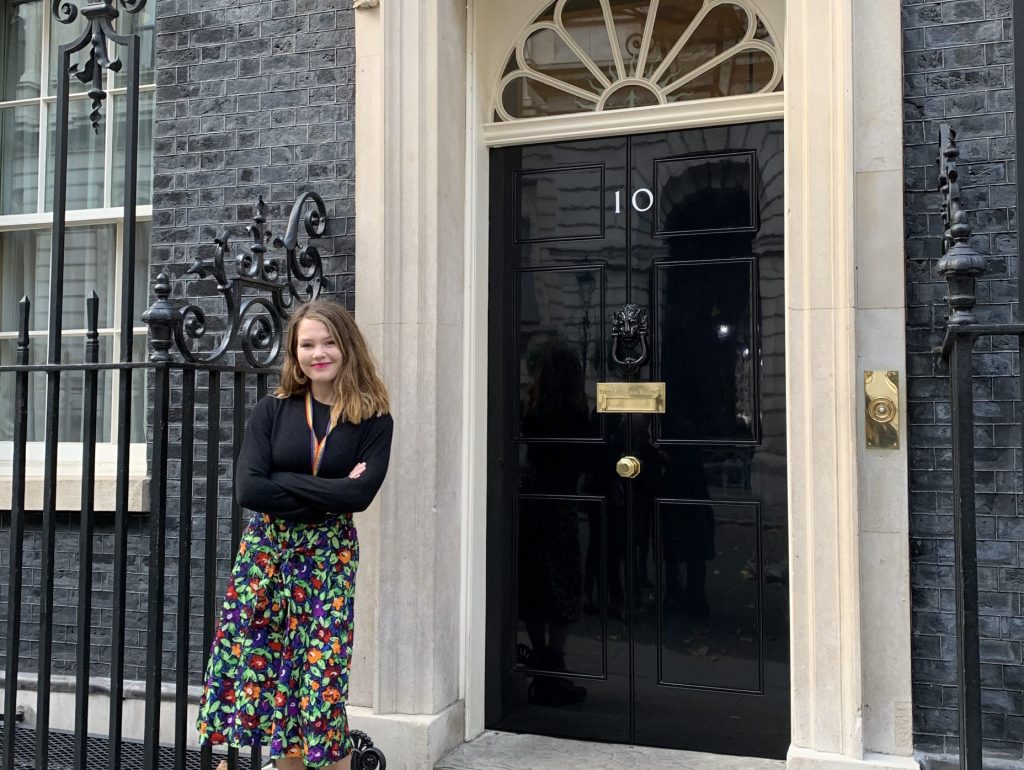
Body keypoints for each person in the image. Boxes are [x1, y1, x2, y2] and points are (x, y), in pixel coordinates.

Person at [197, 299, 393, 770]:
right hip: (267, 557)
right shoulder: (273, 410)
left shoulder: (374, 419)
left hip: (329, 560)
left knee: (320, 681)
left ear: (347, 346)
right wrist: (332, 490)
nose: (318, 353)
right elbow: (249, 488)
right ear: (294, 351)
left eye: (328, 342)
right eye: (307, 344)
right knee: (264, 671)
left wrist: (283, 481)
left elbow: (360, 497)